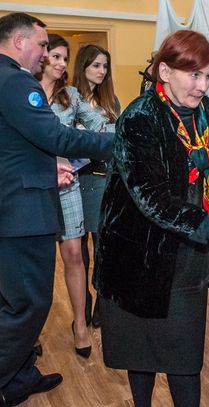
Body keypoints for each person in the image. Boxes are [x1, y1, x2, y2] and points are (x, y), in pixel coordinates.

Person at [92, 29, 209, 406]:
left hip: (190, 252)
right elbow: (155, 201)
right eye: (194, 75)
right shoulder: (139, 118)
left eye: (208, 76)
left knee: (185, 355)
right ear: (164, 72)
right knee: (139, 351)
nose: (203, 86)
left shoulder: (206, 113)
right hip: (138, 256)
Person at [0, 12, 113, 406]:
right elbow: (55, 136)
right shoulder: (16, 81)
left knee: (12, 300)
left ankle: (18, 378)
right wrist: (119, 143)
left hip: (13, 204)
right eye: (43, 45)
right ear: (19, 42)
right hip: (22, 212)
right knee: (29, 304)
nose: (46, 54)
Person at [38, 34, 114, 358]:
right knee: (37, 260)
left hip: (68, 185)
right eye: (55, 56)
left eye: (64, 58)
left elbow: (101, 124)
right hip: (35, 186)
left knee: (73, 253)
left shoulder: (70, 95)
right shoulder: (24, 92)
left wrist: (129, 133)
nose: (60, 63)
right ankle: (30, 329)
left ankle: (80, 325)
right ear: (42, 56)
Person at [72, 43, 119, 328]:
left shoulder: (112, 102)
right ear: (83, 66)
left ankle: (102, 300)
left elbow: (117, 144)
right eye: (96, 65)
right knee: (78, 251)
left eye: (105, 66)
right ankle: (83, 304)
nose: (101, 71)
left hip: (104, 181)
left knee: (103, 246)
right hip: (76, 181)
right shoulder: (68, 100)